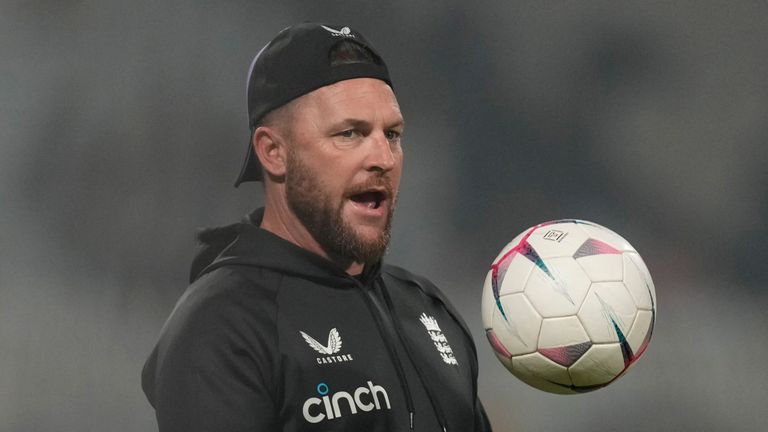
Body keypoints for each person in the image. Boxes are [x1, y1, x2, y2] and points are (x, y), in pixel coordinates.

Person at [141, 22, 492, 432]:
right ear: (273, 152)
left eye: (392, 134)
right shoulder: (223, 326)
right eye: (350, 133)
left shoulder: (426, 308)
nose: (384, 157)